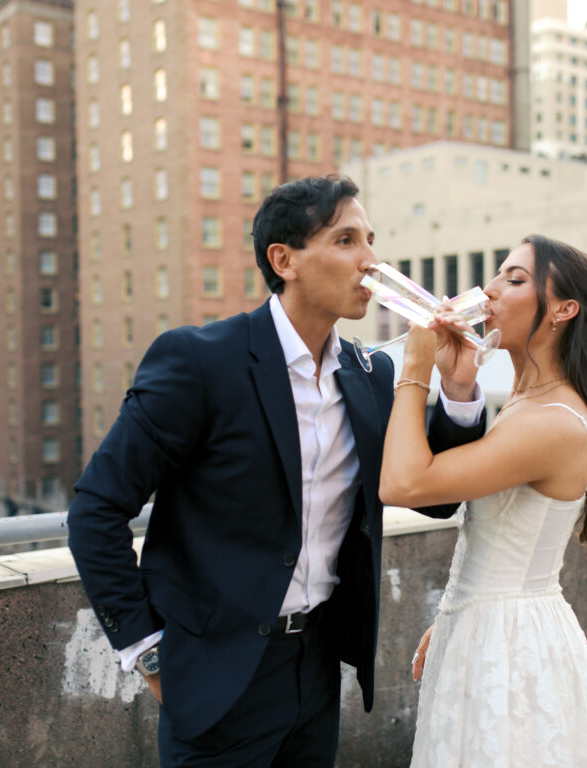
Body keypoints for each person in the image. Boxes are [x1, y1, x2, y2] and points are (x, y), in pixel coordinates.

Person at [67, 175, 486, 767]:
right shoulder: (200, 361)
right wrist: (147, 650)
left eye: (371, 240)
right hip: (214, 675)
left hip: (316, 668)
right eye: (346, 241)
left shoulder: (367, 375)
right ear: (283, 259)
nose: (371, 261)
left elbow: (438, 497)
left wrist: (460, 388)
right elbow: (95, 510)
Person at [380, 234, 587, 767]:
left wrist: (415, 370)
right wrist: (456, 614)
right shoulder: (528, 400)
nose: (489, 291)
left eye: (515, 280)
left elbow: (403, 484)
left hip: (511, 651)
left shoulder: (549, 421)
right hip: (488, 632)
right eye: (497, 275)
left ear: (564, 309)